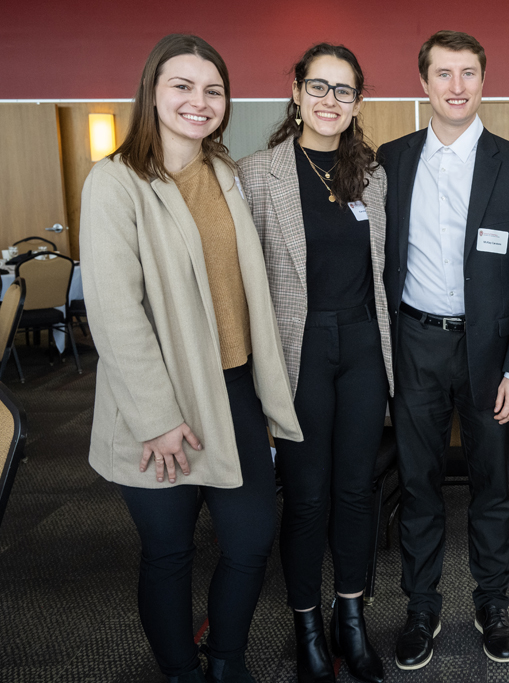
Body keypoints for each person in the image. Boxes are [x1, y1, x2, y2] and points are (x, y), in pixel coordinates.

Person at [79, 34, 302, 683]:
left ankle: (226, 657)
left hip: (234, 391)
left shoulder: (227, 177)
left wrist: (263, 393)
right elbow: (116, 315)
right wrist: (157, 416)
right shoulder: (116, 182)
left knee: (252, 538)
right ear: (152, 91)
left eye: (212, 89)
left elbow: (247, 295)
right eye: (182, 85)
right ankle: (179, 668)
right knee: (170, 551)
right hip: (157, 401)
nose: (198, 101)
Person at [376, 30, 509, 671]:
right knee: (418, 485)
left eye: (468, 73)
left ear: (483, 81)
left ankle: (493, 604)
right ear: (423, 83)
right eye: (443, 74)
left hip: (491, 353)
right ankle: (421, 607)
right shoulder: (388, 162)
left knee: (492, 487)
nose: (456, 86)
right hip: (415, 342)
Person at [237, 43, 390, 683]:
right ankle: (305, 623)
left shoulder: (373, 176)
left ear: (358, 101)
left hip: (362, 346)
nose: (331, 101)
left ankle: (348, 617)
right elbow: (243, 283)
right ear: (296, 92)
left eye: (344, 90)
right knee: (306, 497)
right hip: (297, 350)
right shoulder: (256, 174)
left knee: (358, 492)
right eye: (319, 87)